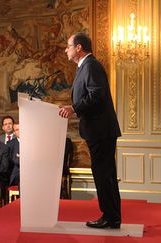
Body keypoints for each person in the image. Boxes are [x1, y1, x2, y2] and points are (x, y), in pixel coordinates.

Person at [60, 32, 121, 229]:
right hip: (99, 130)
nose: (66, 49)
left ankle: (110, 217)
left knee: (104, 174)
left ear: (79, 47)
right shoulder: (85, 66)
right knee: (105, 174)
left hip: (100, 131)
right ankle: (112, 217)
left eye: (68, 45)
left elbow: (97, 95)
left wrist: (74, 108)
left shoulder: (91, 65)